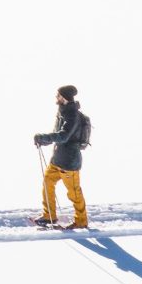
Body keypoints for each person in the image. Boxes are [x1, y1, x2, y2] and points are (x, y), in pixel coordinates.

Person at [31, 84, 91, 229]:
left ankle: (81, 221)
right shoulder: (63, 111)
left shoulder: (72, 115)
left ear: (64, 98)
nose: (56, 97)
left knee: (74, 193)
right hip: (58, 159)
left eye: (58, 95)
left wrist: (44, 138)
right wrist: (44, 141)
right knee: (47, 183)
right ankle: (49, 216)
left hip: (69, 162)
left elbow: (63, 136)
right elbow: (58, 134)